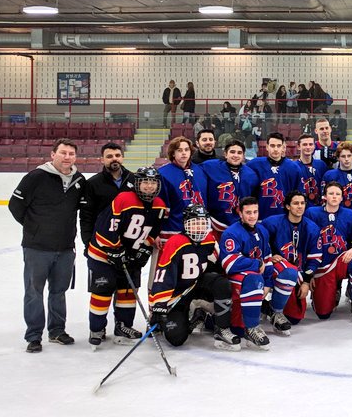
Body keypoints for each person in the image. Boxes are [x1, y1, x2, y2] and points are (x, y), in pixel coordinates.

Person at [8, 138, 86, 352]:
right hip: (37, 247)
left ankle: (57, 331)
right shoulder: (36, 177)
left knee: (58, 291)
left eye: (71, 153)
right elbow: (15, 205)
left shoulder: (79, 180)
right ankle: (33, 336)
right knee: (34, 291)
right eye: (63, 152)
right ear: (53, 155)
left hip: (65, 248)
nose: (67, 156)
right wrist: (34, 227)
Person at [86, 168, 167, 347]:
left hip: (129, 255)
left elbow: (154, 230)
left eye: (153, 183)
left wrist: (145, 248)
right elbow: (105, 227)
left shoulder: (159, 204)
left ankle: (123, 327)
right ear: (137, 184)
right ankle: (97, 329)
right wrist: (114, 249)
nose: (149, 186)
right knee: (103, 289)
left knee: (128, 291)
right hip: (103, 253)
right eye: (145, 182)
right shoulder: (124, 199)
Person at [149, 205, 239, 350]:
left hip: (197, 285)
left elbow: (219, 262)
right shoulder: (175, 242)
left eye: (202, 223)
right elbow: (164, 274)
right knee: (176, 338)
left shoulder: (209, 239)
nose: (199, 228)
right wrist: (159, 305)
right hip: (179, 293)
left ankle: (221, 328)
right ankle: (195, 313)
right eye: (195, 223)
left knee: (222, 284)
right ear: (185, 224)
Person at [219, 197, 299, 348]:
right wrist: (257, 264)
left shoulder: (262, 230)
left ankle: (275, 312)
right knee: (254, 279)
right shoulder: (231, 233)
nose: (252, 216)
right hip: (236, 277)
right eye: (248, 212)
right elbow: (229, 264)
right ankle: (251, 328)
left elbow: (267, 257)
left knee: (289, 272)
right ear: (240, 213)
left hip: (255, 273)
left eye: (255, 212)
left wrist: (268, 282)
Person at [306, 182, 352, 320]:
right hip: (322, 264)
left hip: (342, 260)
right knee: (323, 313)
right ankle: (333, 290)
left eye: (338, 194)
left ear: (342, 198)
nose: (334, 197)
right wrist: (309, 273)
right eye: (331, 193)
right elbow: (306, 242)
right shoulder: (311, 213)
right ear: (324, 196)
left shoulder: (351, 215)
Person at [262, 191, 321, 326]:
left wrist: (306, 282)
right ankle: (275, 311)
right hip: (276, 268)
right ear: (288, 206)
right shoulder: (271, 223)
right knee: (287, 272)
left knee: (295, 318)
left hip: (298, 273)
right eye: (295, 203)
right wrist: (270, 254)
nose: (300, 206)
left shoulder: (312, 228)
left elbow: (314, 259)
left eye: (302, 203)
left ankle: (268, 306)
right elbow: (259, 243)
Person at [79, 142, 136, 248]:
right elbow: (86, 216)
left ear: (122, 158)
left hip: (129, 240)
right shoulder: (92, 183)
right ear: (102, 160)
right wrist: (88, 242)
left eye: (117, 155)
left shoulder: (134, 179)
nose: (114, 159)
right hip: (102, 240)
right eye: (109, 156)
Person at [157, 136, 208, 245]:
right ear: (173, 153)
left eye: (186, 150)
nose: (184, 153)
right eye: (179, 150)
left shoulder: (199, 170)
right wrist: (155, 232)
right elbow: (159, 206)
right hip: (172, 229)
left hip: (198, 229)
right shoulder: (163, 173)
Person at [201, 140, 258, 236]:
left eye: (239, 153)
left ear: (243, 156)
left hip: (240, 223)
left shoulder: (251, 175)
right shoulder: (210, 167)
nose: (235, 155)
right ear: (225, 154)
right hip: (216, 222)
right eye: (232, 152)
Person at [246, 131, 303, 220]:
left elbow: (297, 195)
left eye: (279, 146)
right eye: (272, 146)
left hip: (285, 218)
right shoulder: (254, 165)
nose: (275, 149)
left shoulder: (294, 168)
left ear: (283, 148)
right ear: (267, 147)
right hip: (260, 218)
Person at [323, 142, 352, 216]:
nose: (346, 159)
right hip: (338, 216)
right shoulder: (329, 175)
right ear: (338, 158)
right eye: (343, 156)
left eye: (349, 156)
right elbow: (324, 199)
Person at [295, 133, 327, 204]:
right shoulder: (294, 166)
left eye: (310, 144)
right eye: (305, 144)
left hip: (319, 206)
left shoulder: (321, 165)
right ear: (298, 147)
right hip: (301, 206)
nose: (308, 147)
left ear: (314, 146)